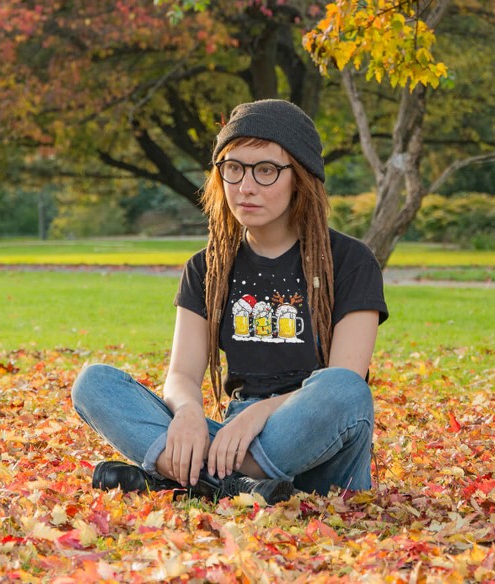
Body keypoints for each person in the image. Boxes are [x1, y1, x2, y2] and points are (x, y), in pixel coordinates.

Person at [71, 99, 388, 505]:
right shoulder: (207, 267)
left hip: (315, 441)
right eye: (233, 168)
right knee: (94, 384)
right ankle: (234, 486)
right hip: (230, 442)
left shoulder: (350, 261)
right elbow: (182, 375)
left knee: (344, 388)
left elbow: (346, 377)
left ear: (300, 177)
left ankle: (188, 478)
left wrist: (259, 414)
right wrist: (188, 412)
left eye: (266, 170)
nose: (245, 186)